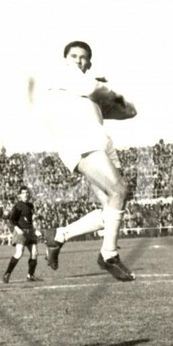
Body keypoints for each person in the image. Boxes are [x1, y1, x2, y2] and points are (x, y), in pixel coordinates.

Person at [37, 41, 137, 282]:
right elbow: (98, 91)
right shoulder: (64, 75)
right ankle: (108, 255)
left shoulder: (83, 89)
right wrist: (107, 90)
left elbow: (130, 112)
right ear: (65, 59)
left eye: (83, 58)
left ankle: (59, 235)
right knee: (119, 191)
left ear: (89, 62)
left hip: (100, 141)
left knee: (113, 206)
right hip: (80, 141)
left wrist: (109, 96)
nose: (78, 61)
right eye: (74, 56)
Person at [2, 186, 41, 283]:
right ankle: (7, 274)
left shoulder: (31, 206)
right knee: (19, 253)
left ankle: (30, 275)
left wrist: (36, 229)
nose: (26, 194)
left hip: (30, 231)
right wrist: (17, 229)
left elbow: (32, 219)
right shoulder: (18, 206)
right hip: (21, 231)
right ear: (19, 195)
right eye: (23, 193)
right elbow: (11, 220)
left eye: (27, 192)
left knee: (35, 253)